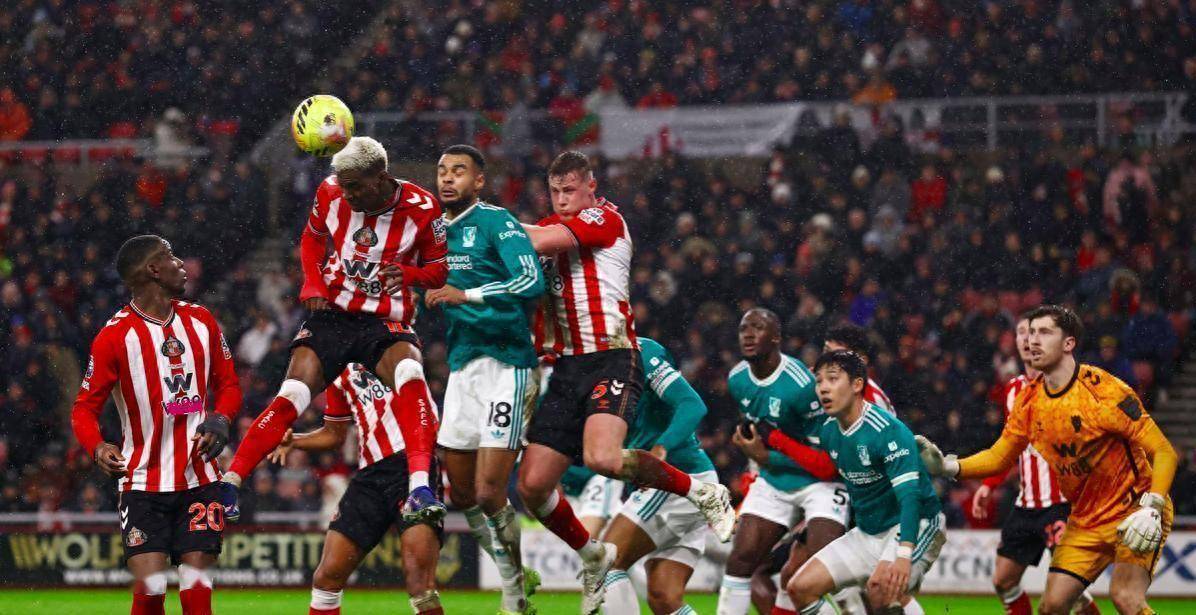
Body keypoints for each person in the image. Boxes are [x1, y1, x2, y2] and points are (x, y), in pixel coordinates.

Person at [517, 150, 734, 614]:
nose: (562, 199)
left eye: (570, 190)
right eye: (554, 192)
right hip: (571, 367)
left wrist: (483, 225)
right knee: (664, 597)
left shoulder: (604, 218)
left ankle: (701, 495)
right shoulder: (547, 231)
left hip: (611, 361)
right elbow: (521, 258)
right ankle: (593, 552)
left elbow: (693, 406)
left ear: (591, 187)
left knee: (610, 542)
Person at [221, 136, 448, 523]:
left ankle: (419, 488)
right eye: (343, 186)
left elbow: (439, 270)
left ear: (380, 178)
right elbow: (312, 238)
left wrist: (410, 274)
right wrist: (312, 283)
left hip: (385, 319)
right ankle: (231, 483)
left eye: (355, 186)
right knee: (292, 392)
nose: (348, 194)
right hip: (334, 314)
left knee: (412, 373)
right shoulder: (330, 190)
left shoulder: (423, 208)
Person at [918, 305, 1178, 614]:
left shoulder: (1105, 391)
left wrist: (1153, 507)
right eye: (1030, 333)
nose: (1032, 340)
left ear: (1069, 343)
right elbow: (999, 456)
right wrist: (949, 466)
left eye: (1044, 332)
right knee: (1052, 606)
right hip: (1085, 520)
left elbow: (1164, 452)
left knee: (1125, 597)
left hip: (1135, 509)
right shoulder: (1028, 402)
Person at [70, 235, 242, 615]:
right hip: (143, 483)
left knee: (197, 591)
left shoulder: (202, 320)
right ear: (153, 270)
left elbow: (229, 385)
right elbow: (83, 409)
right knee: (150, 592)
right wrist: (98, 446)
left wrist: (221, 418)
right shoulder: (114, 336)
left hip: (200, 479)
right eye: (171, 257)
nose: (182, 264)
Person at [424, 144, 544, 614]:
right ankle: (515, 571)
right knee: (461, 492)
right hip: (462, 368)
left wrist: (467, 293)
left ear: (479, 181)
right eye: (442, 171)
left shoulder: (497, 222)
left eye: (459, 171)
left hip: (507, 366)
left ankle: (514, 595)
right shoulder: (434, 231)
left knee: (491, 491)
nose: (447, 178)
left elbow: (530, 280)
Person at [268, 364, 444, 615]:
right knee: (327, 577)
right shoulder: (340, 370)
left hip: (413, 468)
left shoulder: (399, 345)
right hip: (370, 477)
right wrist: (295, 440)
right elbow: (334, 435)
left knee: (420, 585)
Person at [785, 350, 945, 615]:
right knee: (799, 588)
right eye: (819, 381)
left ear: (857, 384)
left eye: (832, 379)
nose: (823, 388)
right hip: (868, 532)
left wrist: (903, 555)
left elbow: (910, 498)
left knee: (881, 590)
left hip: (916, 524)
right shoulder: (829, 431)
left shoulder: (888, 431)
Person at [719, 309, 850, 615]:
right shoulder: (737, 378)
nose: (748, 334)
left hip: (820, 484)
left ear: (776, 337)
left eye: (758, 328)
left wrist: (767, 456)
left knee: (822, 570)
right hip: (774, 479)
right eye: (744, 328)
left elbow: (826, 460)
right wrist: (756, 455)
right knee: (740, 560)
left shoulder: (802, 385)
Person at [755, 322, 889, 614]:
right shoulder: (842, 394)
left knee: (868, 590)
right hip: (854, 495)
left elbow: (828, 467)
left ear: (860, 361)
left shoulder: (865, 402)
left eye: (835, 354)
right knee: (794, 575)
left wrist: (775, 440)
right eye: (825, 351)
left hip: (871, 504)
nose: (825, 359)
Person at [971, 316, 1101, 615]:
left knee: (1067, 594)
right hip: (1026, 505)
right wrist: (989, 485)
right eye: (1022, 332)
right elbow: (1010, 445)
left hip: (1063, 504)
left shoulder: (1066, 385)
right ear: (1017, 342)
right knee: (1003, 580)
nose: (1029, 338)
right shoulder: (1012, 389)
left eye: (1037, 332)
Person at [600, 338, 718, 615]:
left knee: (605, 561)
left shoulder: (642, 352)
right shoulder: (590, 364)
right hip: (687, 482)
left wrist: (661, 449)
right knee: (663, 597)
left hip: (676, 478)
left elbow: (692, 404)